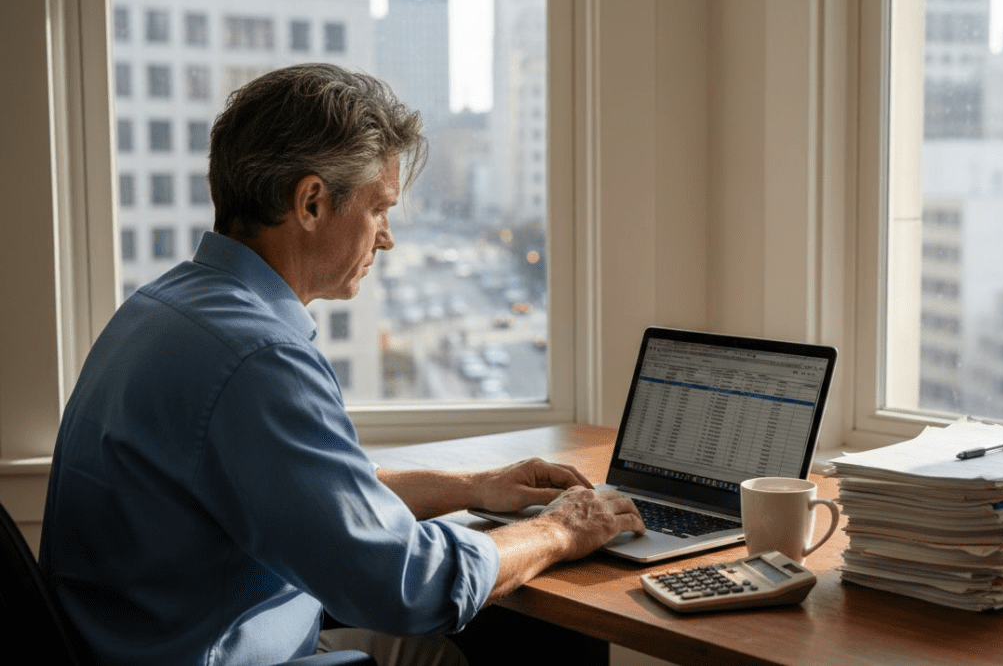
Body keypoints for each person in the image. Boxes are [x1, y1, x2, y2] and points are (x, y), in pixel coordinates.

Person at [38, 64, 645, 666]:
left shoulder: (163, 308)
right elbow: (413, 588)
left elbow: (318, 498)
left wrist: (476, 488)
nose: (387, 238)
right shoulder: (258, 358)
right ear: (310, 202)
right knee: (535, 637)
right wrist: (559, 530)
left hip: (159, 641)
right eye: (379, 208)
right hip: (227, 655)